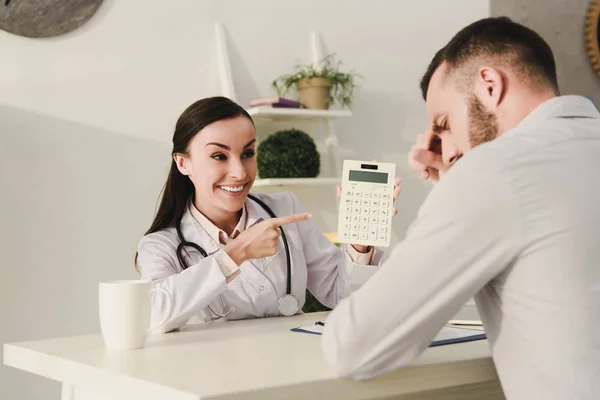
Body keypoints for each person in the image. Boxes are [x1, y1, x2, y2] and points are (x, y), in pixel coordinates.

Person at [321, 17, 600, 400]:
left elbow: (352, 347)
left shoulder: (496, 170)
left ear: (489, 85)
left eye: (444, 124)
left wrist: (456, 190)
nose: (447, 150)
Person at [135, 96, 401, 333]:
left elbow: (341, 295)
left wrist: (360, 239)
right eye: (219, 156)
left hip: (290, 367)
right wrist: (235, 254)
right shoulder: (161, 244)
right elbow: (153, 315)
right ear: (183, 163)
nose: (240, 172)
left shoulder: (285, 208)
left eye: (248, 153)